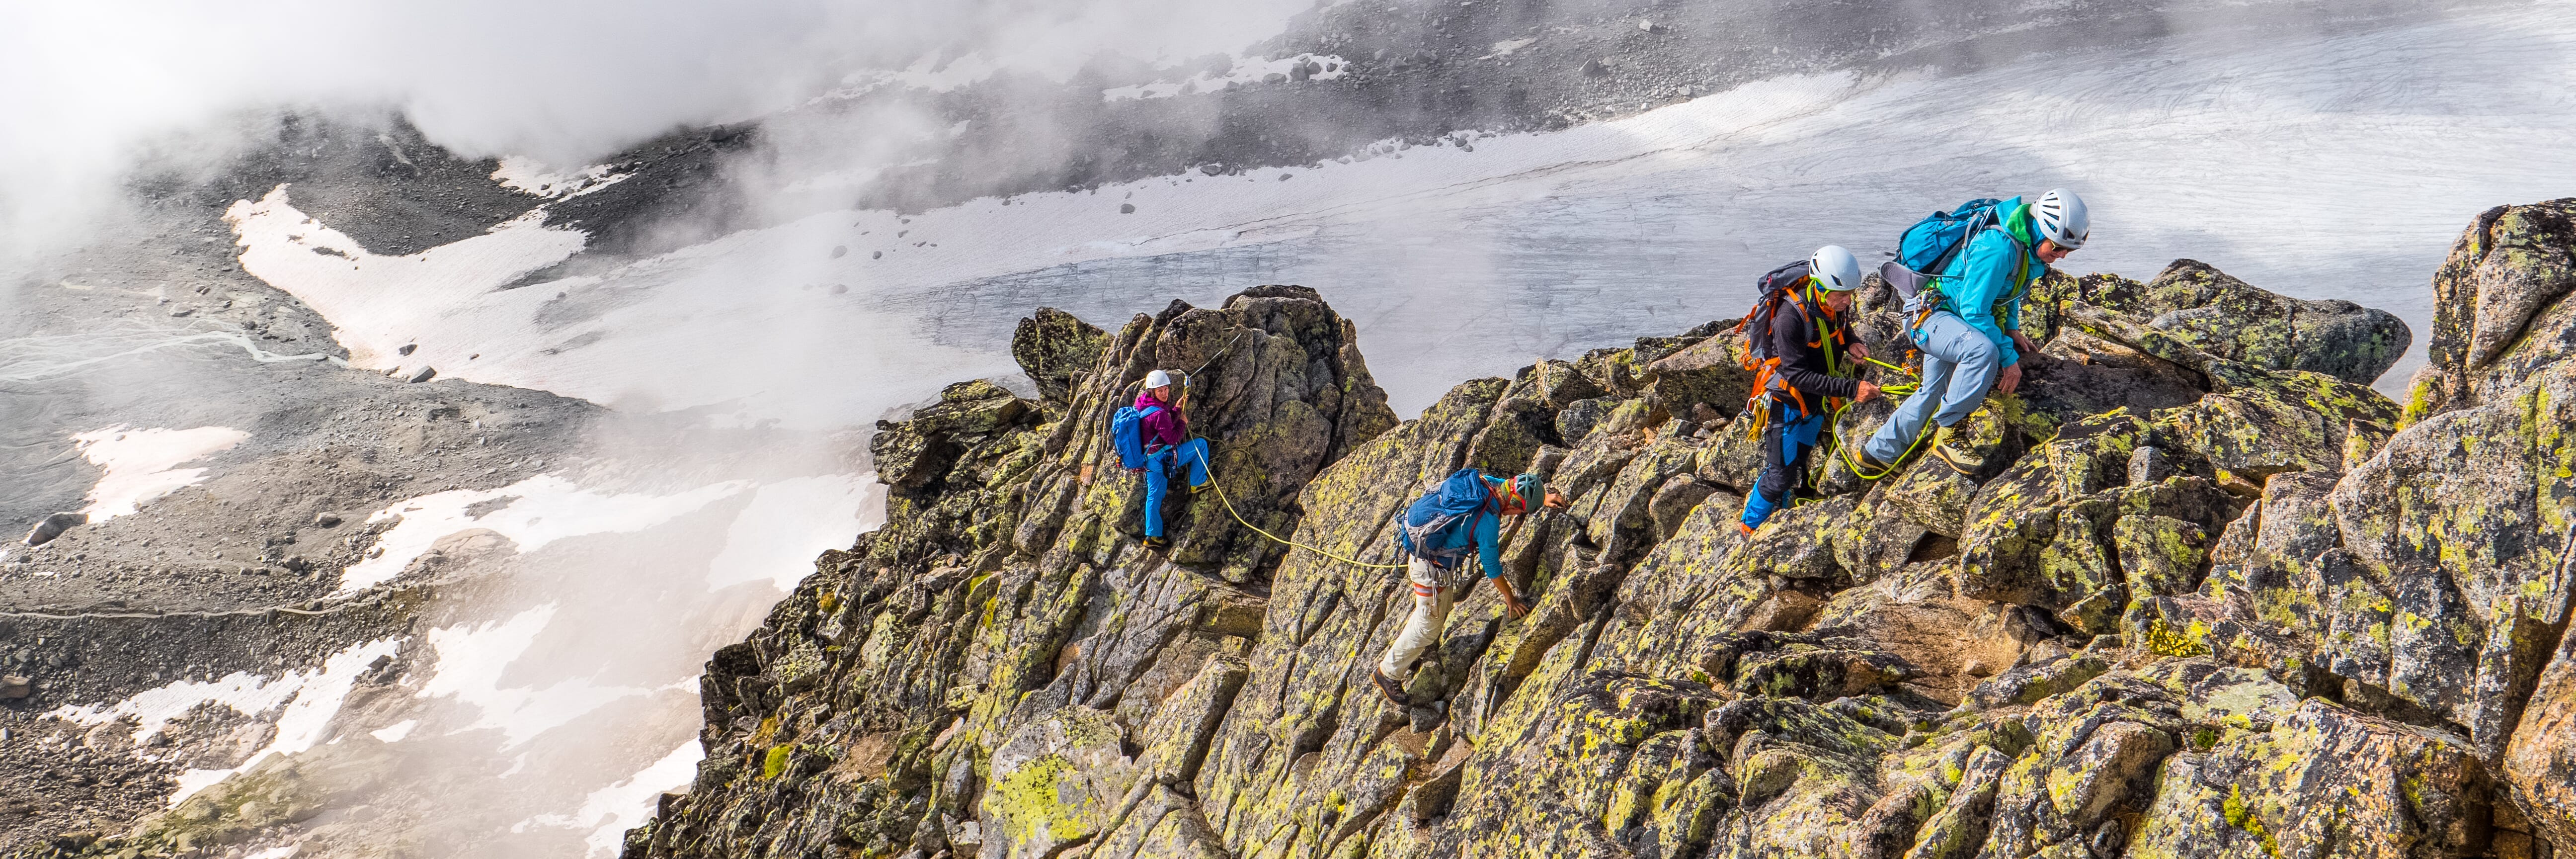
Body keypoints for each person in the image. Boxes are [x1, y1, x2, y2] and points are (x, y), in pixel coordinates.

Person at [1857, 188, 2089, 473]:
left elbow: (2008, 293)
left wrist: (2012, 329)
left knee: (1933, 391)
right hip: (1931, 317)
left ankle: (1876, 454)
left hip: (1949, 319)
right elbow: (1974, 310)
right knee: (1983, 351)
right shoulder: (1999, 247)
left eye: (2068, 250)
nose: (2062, 256)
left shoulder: (2027, 248)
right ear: (2040, 230)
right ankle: (1949, 432)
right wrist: (2007, 357)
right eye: (2057, 247)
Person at [1373, 472, 1565, 706]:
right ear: (1516, 507)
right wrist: (1510, 599)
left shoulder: (1488, 483)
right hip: (1429, 571)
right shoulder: (1488, 523)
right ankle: (1388, 673)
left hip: (1429, 563)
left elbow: (1517, 494)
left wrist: (1542, 498)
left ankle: (1412, 651)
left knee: (1436, 614)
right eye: (1522, 511)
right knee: (1428, 627)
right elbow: (1492, 568)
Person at [1740, 246, 1882, 533]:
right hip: (1787, 403)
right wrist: (1852, 388)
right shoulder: (1790, 318)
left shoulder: (1835, 302)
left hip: (1815, 400)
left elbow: (1842, 324)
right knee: (1780, 474)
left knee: (1801, 459)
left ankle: (1782, 503)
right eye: (1841, 295)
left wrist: (1851, 341)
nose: (1847, 301)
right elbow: (1796, 376)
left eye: (1850, 294)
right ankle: (1750, 525)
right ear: (1817, 286)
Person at [1135, 369, 1210, 550]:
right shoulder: (1159, 414)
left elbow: (1160, 426)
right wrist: (1183, 421)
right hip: (1163, 459)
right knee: (1200, 445)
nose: (1165, 393)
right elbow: (1172, 438)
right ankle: (1197, 482)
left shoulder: (1142, 404)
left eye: (1166, 389)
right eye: (1160, 390)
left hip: (1149, 461)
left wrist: (1176, 409)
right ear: (1152, 391)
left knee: (1154, 496)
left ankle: (1152, 536)